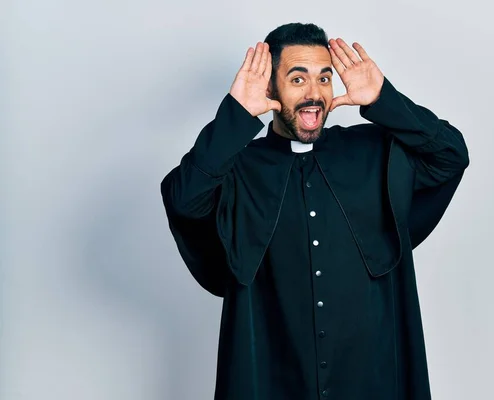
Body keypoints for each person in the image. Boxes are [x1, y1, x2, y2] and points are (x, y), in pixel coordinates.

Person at [161, 22, 469, 400]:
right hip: (274, 380)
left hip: (372, 379)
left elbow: (451, 156)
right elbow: (183, 198)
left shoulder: (374, 151)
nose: (314, 94)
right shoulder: (238, 168)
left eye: (324, 79)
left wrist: (384, 99)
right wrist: (236, 115)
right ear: (270, 88)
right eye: (297, 79)